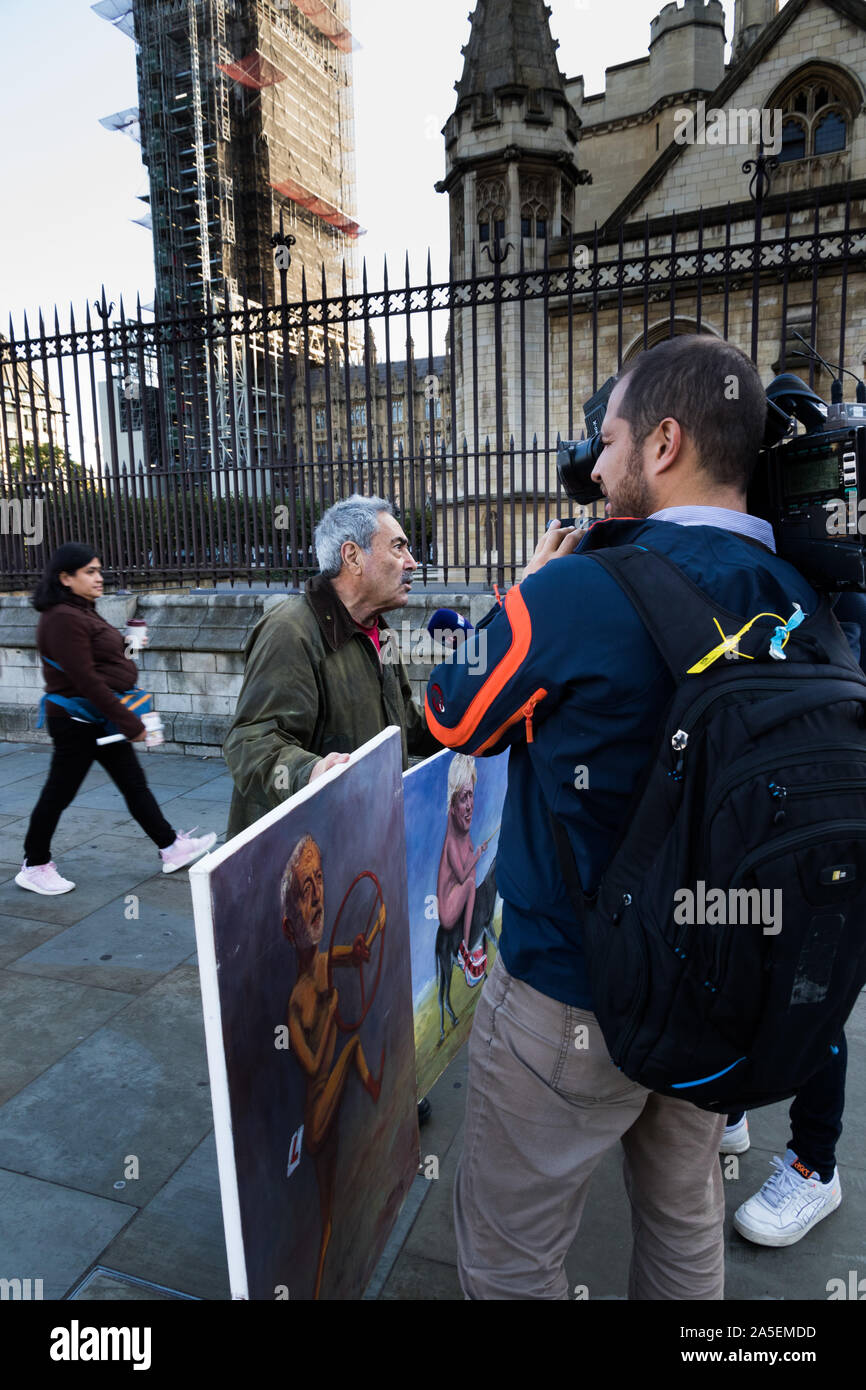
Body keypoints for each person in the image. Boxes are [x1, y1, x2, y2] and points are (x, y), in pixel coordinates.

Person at [425, 334, 821, 1300]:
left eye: (608, 440)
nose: (593, 468)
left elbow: (450, 713)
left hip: (573, 993)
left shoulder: (575, 589)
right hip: (726, 980)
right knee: (686, 1227)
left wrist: (522, 592)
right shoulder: (810, 601)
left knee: (514, 1252)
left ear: (665, 441)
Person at [224, 495, 440, 838]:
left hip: (366, 840)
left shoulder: (380, 632)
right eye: (398, 548)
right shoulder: (290, 630)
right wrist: (311, 772)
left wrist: (464, 720)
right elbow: (250, 743)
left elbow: (404, 726)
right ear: (352, 557)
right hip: (304, 852)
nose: (412, 562)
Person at [16, 543, 216, 896]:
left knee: (133, 783)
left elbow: (104, 659)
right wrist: (130, 723)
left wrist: (129, 646)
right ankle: (34, 865)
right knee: (58, 793)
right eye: (90, 571)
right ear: (66, 578)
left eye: (99, 570)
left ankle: (171, 847)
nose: (99, 577)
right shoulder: (62, 617)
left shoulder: (82, 610)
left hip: (98, 718)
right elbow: (85, 679)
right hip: (77, 721)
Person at [281, 834, 385, 1299]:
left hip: (332, 1106)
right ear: (289, 928)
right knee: (349, 1049)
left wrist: (366, 941)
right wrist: (330, 1010)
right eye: (306, 889)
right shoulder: (297, 1000)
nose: (318, 895)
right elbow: (312, 1063)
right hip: (316, 1113)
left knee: (329, 1215)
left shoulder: (323, 963)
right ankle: (371, 1082)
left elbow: (350, 954)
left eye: (318, 879)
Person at [436, 753, 490, 986]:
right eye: (462, 798)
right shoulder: (450, 839)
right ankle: (465, 950)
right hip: (447, 909)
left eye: (471, 795)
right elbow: (461, 874)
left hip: (455, 897)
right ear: (452, 802)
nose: (469, 805)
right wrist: (478, 853)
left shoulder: (461, 826)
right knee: (470, 882)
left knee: (474, 877)